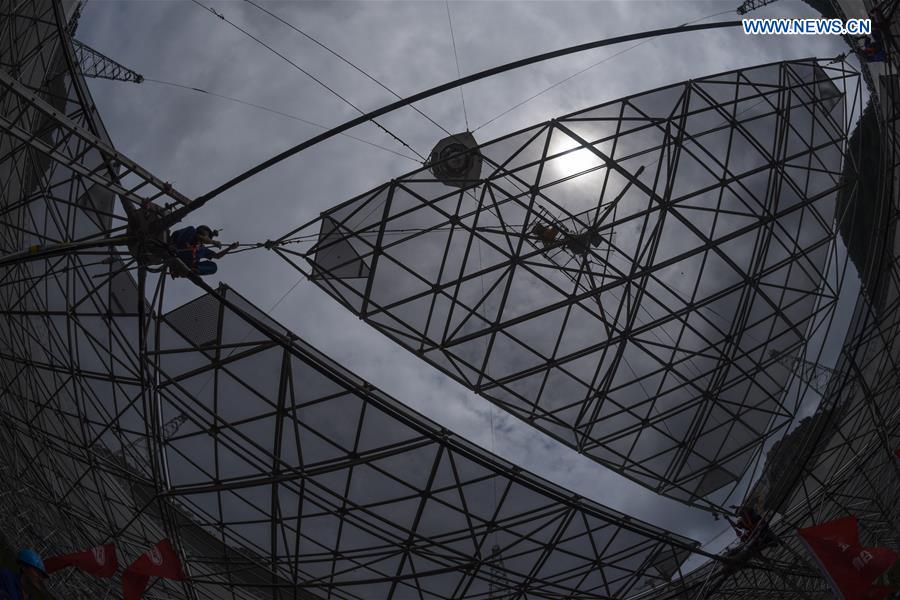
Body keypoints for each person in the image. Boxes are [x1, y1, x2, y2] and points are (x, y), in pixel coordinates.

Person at [169, 225, 239, 277]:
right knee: (191, 229)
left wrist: (229, 248)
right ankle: (171, 245)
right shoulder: (192, 233)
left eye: (207, 235)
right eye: (206, 234)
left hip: (186, 263)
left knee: (213, 267)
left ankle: (192, 270)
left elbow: (217, 256)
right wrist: (213, 242)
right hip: (175, 249)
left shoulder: (203, 249)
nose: (206, 236)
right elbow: (200, 237)